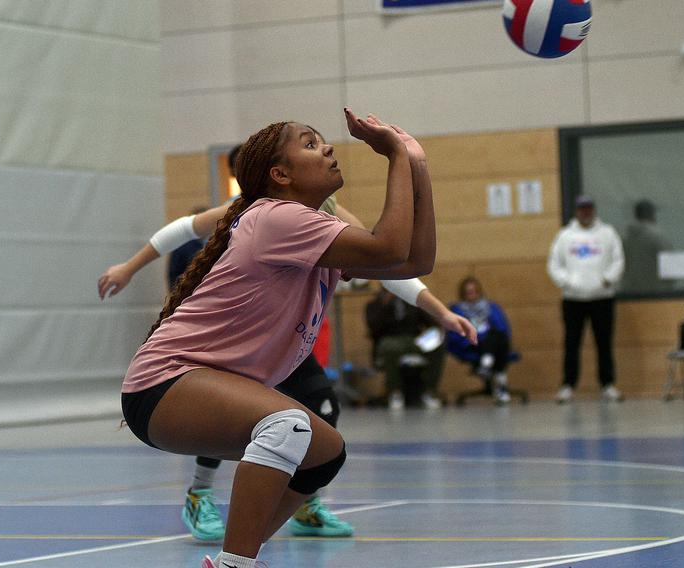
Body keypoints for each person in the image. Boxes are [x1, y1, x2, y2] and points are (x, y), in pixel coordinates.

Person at [100, 137, 475, 543]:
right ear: (281, 175)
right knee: (286, 425)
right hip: (166, 381)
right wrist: (398, 157)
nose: (329, 147)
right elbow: (389, 246)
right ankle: (213, 518)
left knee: (324, 454)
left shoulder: (323, 223)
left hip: (237, 372)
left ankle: (241, 551)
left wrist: (417, 165)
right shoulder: (273, 217)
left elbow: (408, 261)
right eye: (311, 144)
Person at [547, 194, 625, 403]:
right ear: (576, 211)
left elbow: (618, 260)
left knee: (604, 343)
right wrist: (567, 282)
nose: (586, 212)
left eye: (589, 208)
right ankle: (568, 385)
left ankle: (607, 384)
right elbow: (554, 264)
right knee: (572, 343)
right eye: (582, 209)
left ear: (594, 210)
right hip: (573, 299)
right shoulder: (565, 236)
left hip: (602, 298)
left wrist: (608, 279)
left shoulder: (608, 233)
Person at [365, 286, 445, 410]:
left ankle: (429, 392)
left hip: (414, 339)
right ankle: (395, 392)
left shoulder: (411, 302)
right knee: (390, 347)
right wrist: (385, 305)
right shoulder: (375, 305)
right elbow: (374, 327)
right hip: (390, 339)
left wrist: (438, 331)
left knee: (437, 345)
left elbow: (431, 323)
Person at [445, 276, 514, 404]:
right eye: (468, 292)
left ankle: (486, 363)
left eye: (474, 291)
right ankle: (501, 385)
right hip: (471, 342)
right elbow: (455, 334)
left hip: (494, 341)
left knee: (497, 337)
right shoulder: (457, 310)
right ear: (463, 294)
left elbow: (503, 329)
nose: (471, 295)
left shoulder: (491, 307)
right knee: (493, 341)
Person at [621, 199, 673, 295]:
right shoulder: (658, 237)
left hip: (628, 295)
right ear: (652, 215)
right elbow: (670, 268)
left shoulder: (624, 237)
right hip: (654, 295)